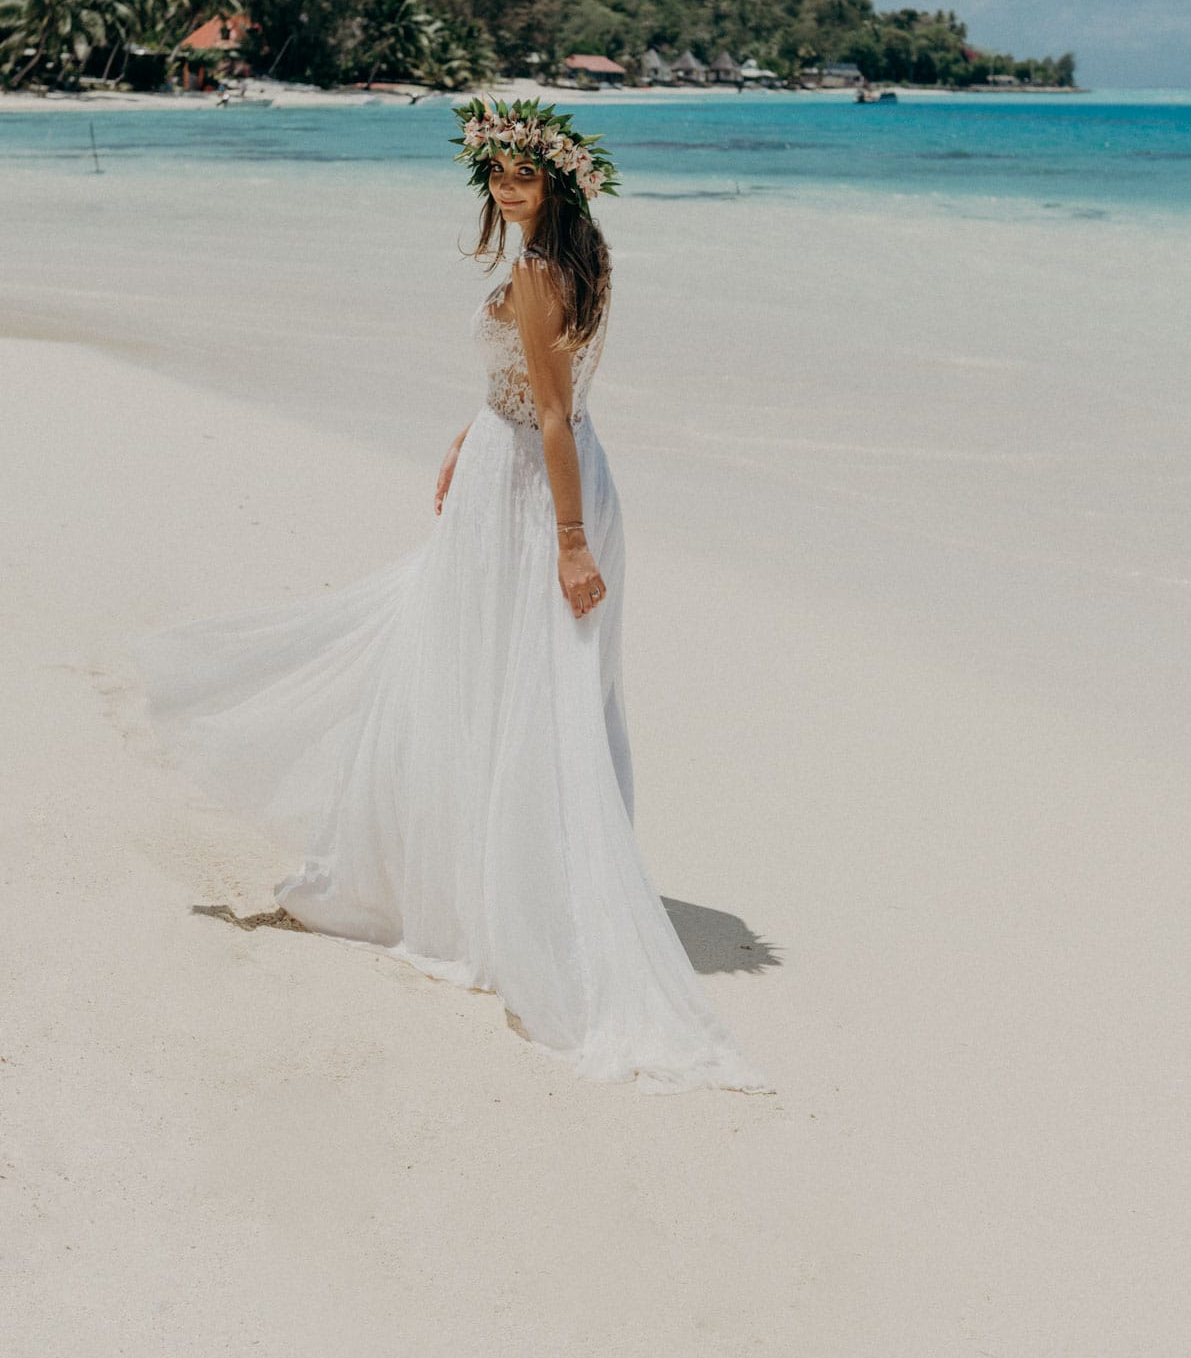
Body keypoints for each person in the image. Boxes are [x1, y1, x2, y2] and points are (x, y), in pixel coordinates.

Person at [131, 97, 771, 1096]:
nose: (508, 189)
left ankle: (516, 899)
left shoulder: (539, 271)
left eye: (524, 174)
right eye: (497, 175)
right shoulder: (581, 258)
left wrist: (568, 544)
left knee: (507, 685)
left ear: (557, 180)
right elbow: (539, 391)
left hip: (532, 497)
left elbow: (551, 409)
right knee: (508, 681)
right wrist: (467, 434)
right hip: (527, 471)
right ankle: (514, 879)